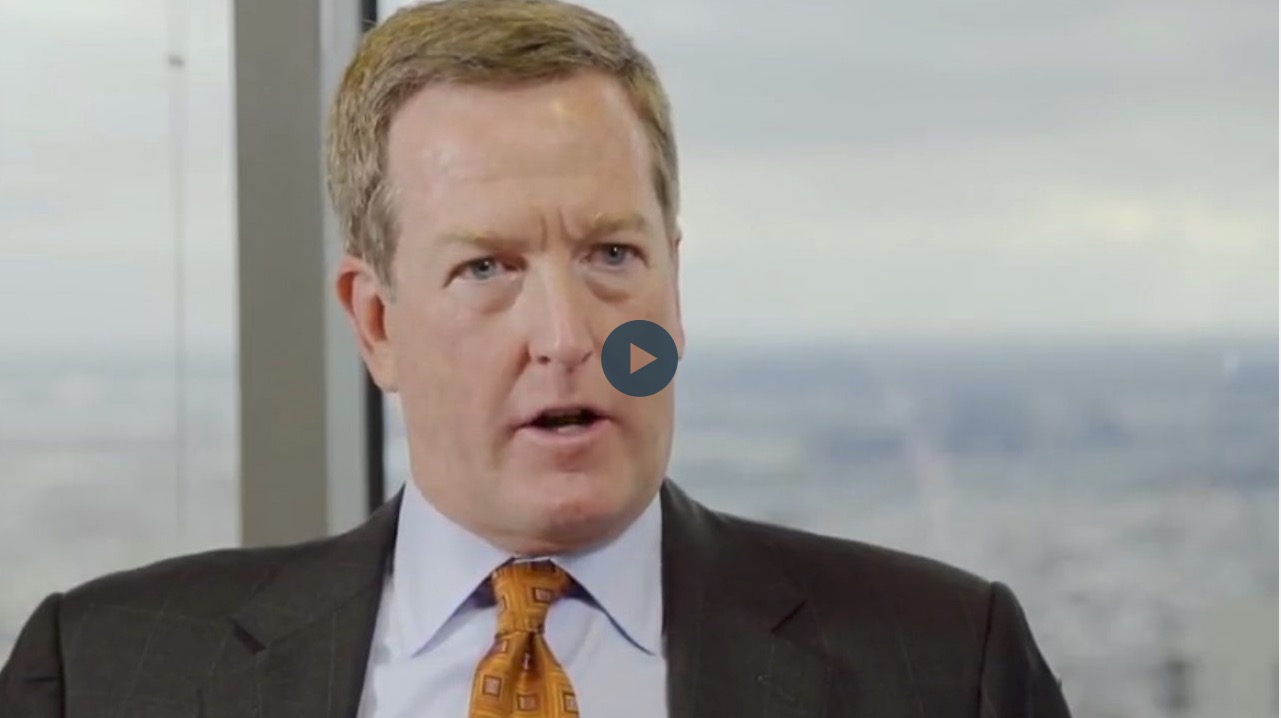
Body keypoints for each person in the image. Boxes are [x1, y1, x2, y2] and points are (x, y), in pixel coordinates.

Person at [0, 1, 1073, 716]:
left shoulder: (943, 665)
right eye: (487, 268)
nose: (567, 335)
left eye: (612, 256)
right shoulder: (103, 673)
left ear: (673, 290)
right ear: (376, 324)